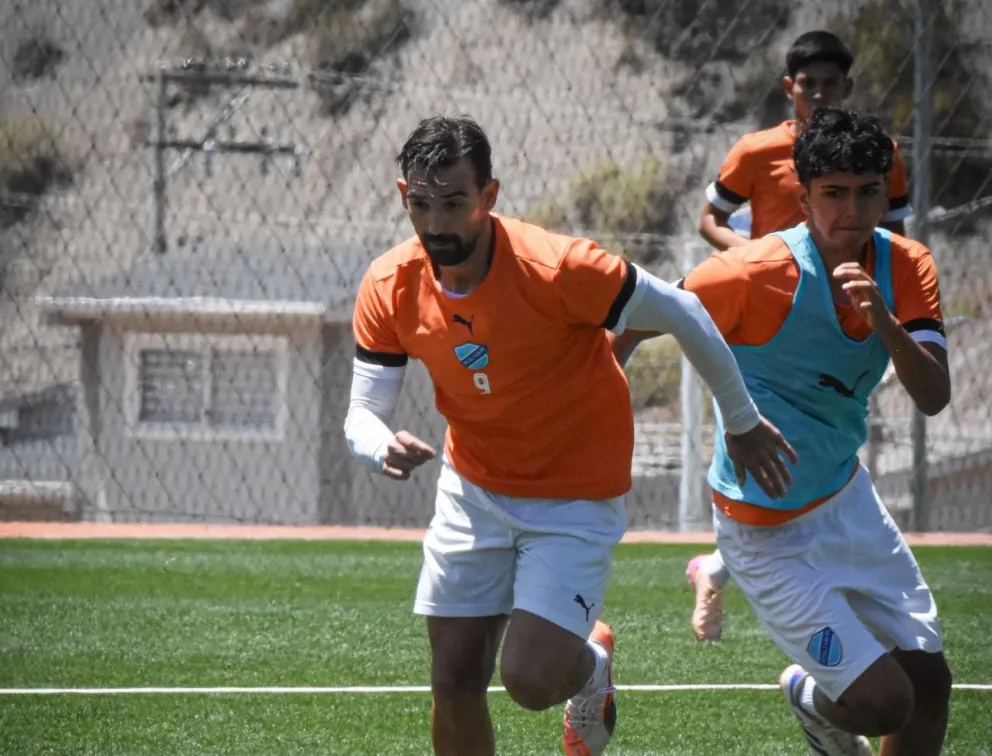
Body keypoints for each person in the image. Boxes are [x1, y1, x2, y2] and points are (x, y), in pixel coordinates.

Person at [343, 114, 796, 756]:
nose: (437, 223)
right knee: (453, 677)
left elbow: (685, 310)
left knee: (529, 680)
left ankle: (590, 667)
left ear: (489, 196)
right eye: (421, 204)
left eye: (454, 203)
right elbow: (362, 410)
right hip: (473, 488)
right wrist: (377, 444)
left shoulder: (558, 267)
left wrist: (743, 421)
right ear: (402, 196)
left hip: (575, 496)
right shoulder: (390, 284)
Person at [616, 107, 952, 755]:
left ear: (887, 194)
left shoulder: (907, 267)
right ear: (804, 198)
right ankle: (808, 694)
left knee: (929, 683)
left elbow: (933, 395)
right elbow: (649, 313)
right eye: (832, 193)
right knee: (885, 702)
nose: (851, 210)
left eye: (866, 192)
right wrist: (596, 399)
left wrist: (884, 321)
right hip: (764, 535)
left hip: (849, 503)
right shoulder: (755, 272)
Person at [684, 29, 913, 641]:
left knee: (821, 441)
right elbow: (710, 219)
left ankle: (715, 566)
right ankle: (742, 569)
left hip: (845, 319)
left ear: (849, 87)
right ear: (790, 89)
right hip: (763, 318)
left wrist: (894, 311)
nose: (818, 93)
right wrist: (752, 253)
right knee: (761, 444)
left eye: (830, 84)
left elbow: (896, 240)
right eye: (806, 84)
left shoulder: (878, 154)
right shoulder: (757, 151)